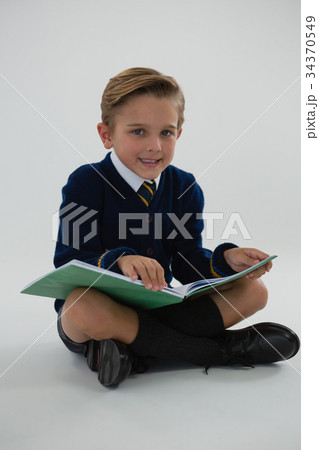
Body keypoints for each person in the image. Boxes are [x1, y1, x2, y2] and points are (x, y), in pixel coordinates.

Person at [54, 67, 300, 387]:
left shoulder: (184, 186)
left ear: (178, 134)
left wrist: (226, 262)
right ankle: (216, 350)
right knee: (79, 304)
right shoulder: (85, 183)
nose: (155, 145)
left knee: (254, 291)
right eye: (138, 131)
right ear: (107, 135)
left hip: (161, 308)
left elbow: (186, 261)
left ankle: (130, 351)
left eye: (166, 133)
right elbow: (68, 261)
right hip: (98, 312)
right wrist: (121, 261)